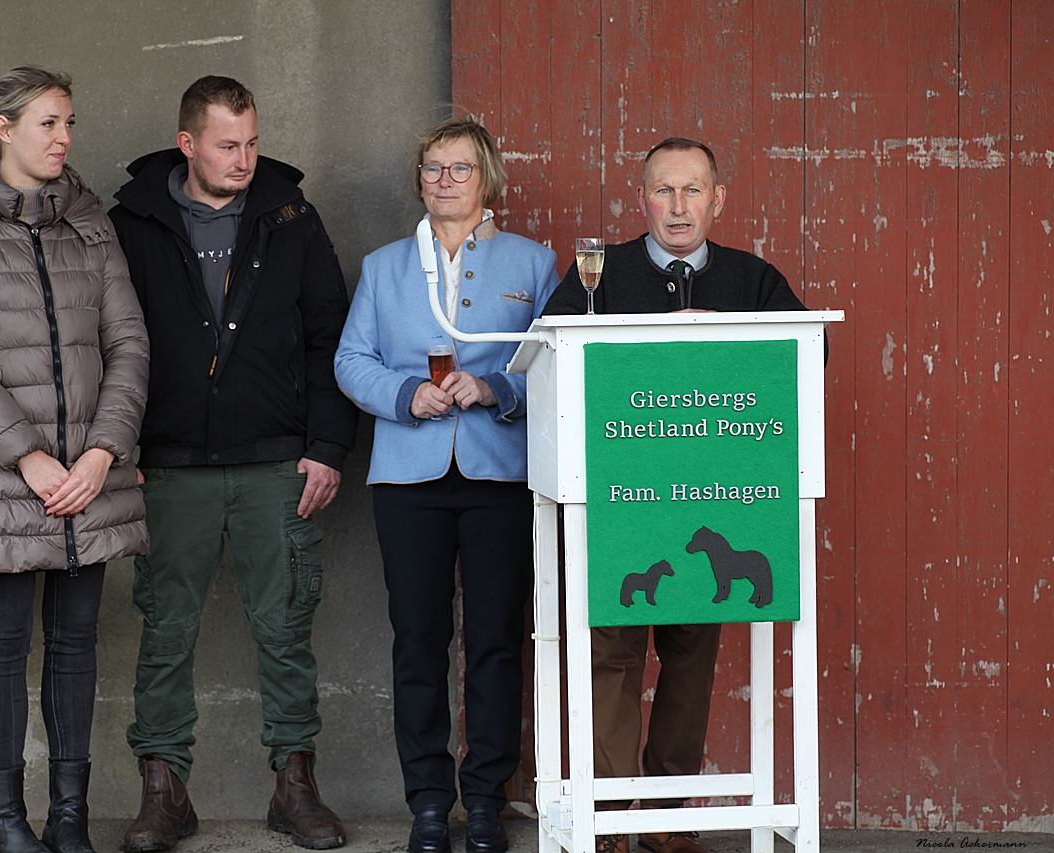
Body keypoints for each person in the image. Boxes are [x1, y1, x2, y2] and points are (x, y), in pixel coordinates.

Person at [542, 137, 817, 853]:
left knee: (693, 657)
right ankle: (608, 817)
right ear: (642, 199)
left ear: (717, 199)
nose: (677, 205)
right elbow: (550, 353)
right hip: (615, 504)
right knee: (612, 655)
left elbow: (804, 355)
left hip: (713, 499)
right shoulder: (595, 273)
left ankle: (669, 819)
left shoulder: (755, 279)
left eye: (692, 190)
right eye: (663, 190)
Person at [107, 75, 357, 852]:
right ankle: (163, 791)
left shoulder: (290, 216)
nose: (245, 157)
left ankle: (295, 786)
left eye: (251, 141)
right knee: (165, 631)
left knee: (285, 628)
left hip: (276, 461)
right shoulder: (132, 223)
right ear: (188, 144)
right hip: (168, 466)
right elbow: (104, 343)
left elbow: (330, 336)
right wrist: (119, 449)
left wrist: (326, 447)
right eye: (227, 144)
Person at [0, 66, 150, 853]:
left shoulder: (90, 221)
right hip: (4, 480)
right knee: (5, 648)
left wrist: (101, 451)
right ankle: (9, 825)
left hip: (90, 476)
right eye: (49, 123)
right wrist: (30, 457)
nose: (65, 139)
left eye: (70, 123)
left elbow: (128, 342)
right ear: (3, 130)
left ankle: (71, 818)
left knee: (78, 645)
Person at [335, 116, 559, 853]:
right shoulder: (383, 266)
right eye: (432, 168)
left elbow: (554, 363)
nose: (444, 181)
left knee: (496, 639)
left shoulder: (533, 264)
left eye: (459, 169)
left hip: (500, 473)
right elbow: (350, 359)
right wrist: (405, 395)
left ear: (487, 178)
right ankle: (429, 802)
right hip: (409, 477)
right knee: (419, 641)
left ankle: (487, 799)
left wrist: (498, 389)